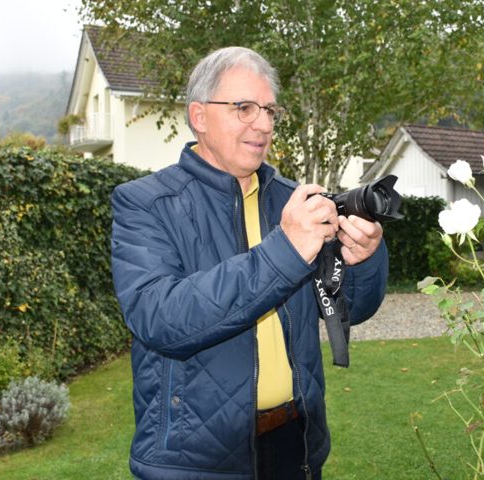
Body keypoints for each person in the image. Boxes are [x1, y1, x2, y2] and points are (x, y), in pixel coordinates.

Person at [110, 46, 389, 480]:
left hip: (295, 442)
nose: (262, 124)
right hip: (197, 459)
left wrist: (363, 260)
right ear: (199, 116)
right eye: (244, 108)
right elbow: (161, 319)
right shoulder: (145, 204)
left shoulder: (291, 200)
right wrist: (286, 252)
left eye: (269, 110)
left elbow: (352, 307)